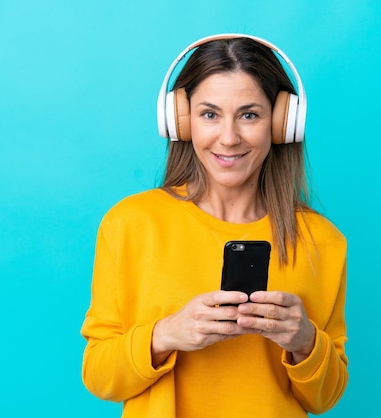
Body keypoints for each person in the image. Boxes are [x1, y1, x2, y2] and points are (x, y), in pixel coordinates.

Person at [80, 34, 348, 417]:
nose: (228, 138)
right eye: (210, 114)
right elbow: (99, 375)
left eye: (249, 115)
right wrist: (166, 335)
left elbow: (325, 398)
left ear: (282, 123)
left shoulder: (323, 241)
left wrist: (305, 340)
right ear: (182, 121)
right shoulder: (131, 224)